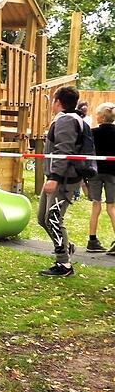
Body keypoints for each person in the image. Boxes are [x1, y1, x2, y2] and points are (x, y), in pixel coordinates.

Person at [38, 86, 87, 276]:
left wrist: (54, 178)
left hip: (63, 179)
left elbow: (64, 151)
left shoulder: (67, 120)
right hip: (56, 177)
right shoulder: (65, 119)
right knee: (43, 218)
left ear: (57, 102)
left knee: (53, 218)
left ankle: (64, 264)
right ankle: (65, 246)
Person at [86, 102, 115, 255]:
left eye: (97, 114)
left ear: (102, 117)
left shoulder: (92, 132)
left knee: (96, 206)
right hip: (113, 174)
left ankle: (92, 241)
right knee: (112, 208)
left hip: (96, 172)